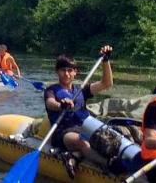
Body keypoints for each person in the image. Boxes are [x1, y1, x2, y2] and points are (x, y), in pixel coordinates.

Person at [44, 46, 113, 178]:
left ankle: (73, 157)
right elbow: (50, 103)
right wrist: (61, 105)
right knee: (83, 143)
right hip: (63, 133)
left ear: (75, 72)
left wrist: (106, 61)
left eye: (70, 70)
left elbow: (107, 83)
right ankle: (109, 164)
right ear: (57, 72)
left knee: (108, 140)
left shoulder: (82, 90)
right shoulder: (51, 90)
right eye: (63, 70)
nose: (67, 74)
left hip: (85, 128)